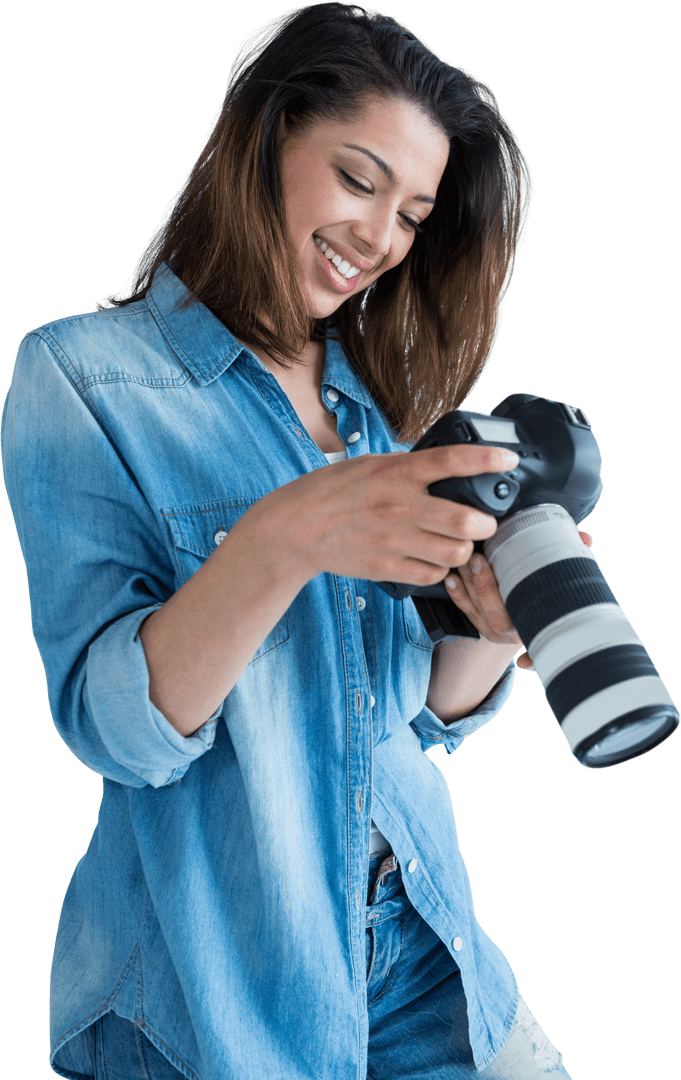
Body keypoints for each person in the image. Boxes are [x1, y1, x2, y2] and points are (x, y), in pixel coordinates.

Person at [1, 4, 590, 1077]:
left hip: (422, 941)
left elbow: (410, 721)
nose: (382, 239)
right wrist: (284, 535)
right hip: (213, 981)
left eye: (413, 212)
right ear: (269, 141)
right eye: (359, 181)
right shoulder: (83, 377)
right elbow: (113, 730)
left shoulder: (377, 403)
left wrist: (490, 632)